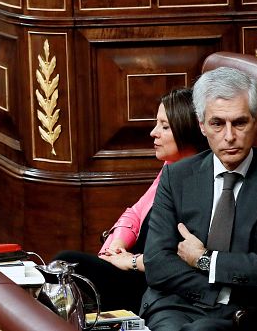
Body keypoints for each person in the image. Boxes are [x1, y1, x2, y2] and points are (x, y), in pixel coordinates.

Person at [141, 67, 257, 331]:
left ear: (255, 121)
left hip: (241, 314)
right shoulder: (177, 175)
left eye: (239, 122)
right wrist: (239, 275)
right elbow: (157, 264)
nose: (229, 136)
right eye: (217, 123)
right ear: (202, 126)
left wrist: (204, 259)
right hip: (175, 304)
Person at [54, 88, 209, 313]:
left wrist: (132, 261)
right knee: (60, 271)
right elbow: (136, 213)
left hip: (152, 284)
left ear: (187, 130)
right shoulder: (171, 167)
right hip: (129, 266)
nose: (153, 133)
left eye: (165, 127)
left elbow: (184, 258)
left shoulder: (202, 183)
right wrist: (117, 245)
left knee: (65, 263)